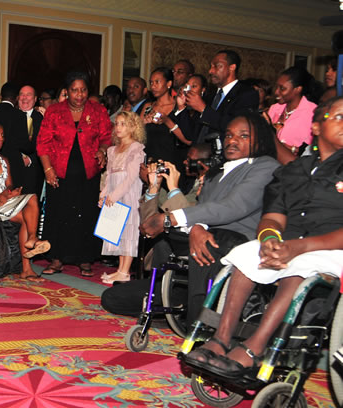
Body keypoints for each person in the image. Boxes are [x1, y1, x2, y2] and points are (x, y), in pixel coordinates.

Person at [184, 97, 343, 377]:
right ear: (316, 127)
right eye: (338, 117)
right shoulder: (294, 171)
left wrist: (299, 247)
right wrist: (269, 239)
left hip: (330, 248)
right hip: (290, 244)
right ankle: (221, 338)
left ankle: (255, 347)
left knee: (300, 269)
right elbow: (273, 216)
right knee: (249, 255)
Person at [106, 113, 280, 324]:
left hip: (235, 243)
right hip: (199, 241)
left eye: (243, 136)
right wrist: (194, 226)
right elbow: (202, 210)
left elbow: (231, 208)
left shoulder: (265, 166)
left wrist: (170, 219)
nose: (232, 141)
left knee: (205, 244)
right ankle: (176, 306)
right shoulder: (217, 172)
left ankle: (197, 324)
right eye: (229, 135)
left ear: (259, 139)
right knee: (113, 298)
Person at [37, 70, 112, 277]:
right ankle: (56, 259)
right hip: (59, 172)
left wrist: (103, 150)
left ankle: (85, 259)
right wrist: (48, 170)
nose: (79, 95)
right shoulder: (54, 111)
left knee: (86, 215)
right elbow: (42, 143)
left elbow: (107, 136)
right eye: (74, 90)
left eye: (83, 90)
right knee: (59, 215)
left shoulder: (98, 111)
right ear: (66, 91)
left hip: (88, 174)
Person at [0, 119, 49, 280]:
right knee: (30, 206)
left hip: (4, 201)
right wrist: (1, 196)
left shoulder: (4, 160)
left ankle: (28, 258)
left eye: (2, 135)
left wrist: (11, 192)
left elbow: (8, 185)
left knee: (30, 206)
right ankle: (32, 242)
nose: (1, 138)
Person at [98, 111, 147, 284]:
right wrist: (104, 195)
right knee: (117, 230)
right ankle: (120, 269)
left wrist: (115, 195)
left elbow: (131, 177)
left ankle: (125, 271)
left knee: (129, 229)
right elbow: (109, 175)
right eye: (117, 123)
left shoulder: (136, 148)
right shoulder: (112, 150)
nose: (118, 127)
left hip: (128, 192)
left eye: (123, 124)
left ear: (133, 127)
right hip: (113, 191)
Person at [187, 49, 259, 143]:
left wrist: (203, 109)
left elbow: (236, 126)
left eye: (217, 66)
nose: (211, 71)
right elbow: (190, 134)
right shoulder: (210, 95)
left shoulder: (246, 94)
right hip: (197, 153)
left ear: (232, 67)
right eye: (211, 66)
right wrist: (181, 109)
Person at [0, 83, 36, 202]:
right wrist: (32, 142)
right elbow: (25, 146)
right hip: (14, 165)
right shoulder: (19, 115)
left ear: (1, 96)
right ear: (17, 98)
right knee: (14, 201)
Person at [267, 66, 317, 164]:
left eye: (282, 88)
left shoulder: (313, 112)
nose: (276, 92)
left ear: (297, 89)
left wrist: (294, 149)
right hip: (269, 162)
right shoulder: (274, 109)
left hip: (295, 166)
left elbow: (315, 147)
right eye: (276, 87)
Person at [141, 68, 182, 170]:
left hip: (171, 162)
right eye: (151, 82)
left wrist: (167, 121)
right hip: (150, 162)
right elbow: (136, 136)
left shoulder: (178, 106)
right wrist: (143, 123)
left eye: (157, 82)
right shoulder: (148, 107)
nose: (153, 86)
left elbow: (186, 137)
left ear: (169, 83)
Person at [17, 84, 45, 197]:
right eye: (22, 95)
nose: (24, 98)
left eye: (28, 95)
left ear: (35, 99)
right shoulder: (10, 117)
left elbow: (45, 144)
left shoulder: (42, 119)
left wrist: (30, 159)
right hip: (12, 173)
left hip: (33, 173)